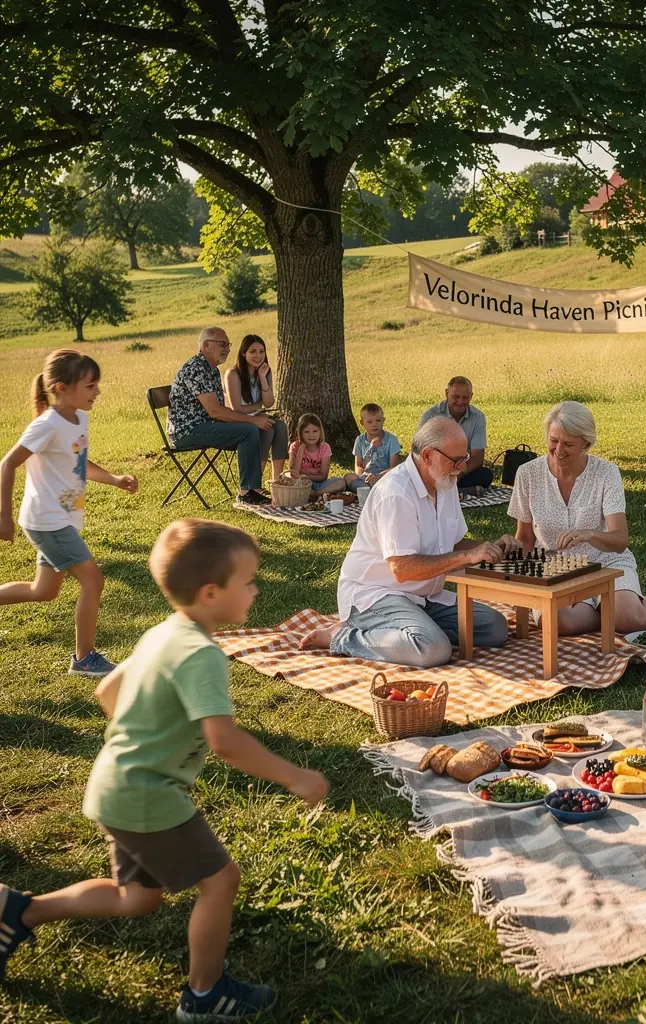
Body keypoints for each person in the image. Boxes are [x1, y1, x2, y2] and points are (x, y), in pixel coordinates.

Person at [0, 519, 329, 1017]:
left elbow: (106, 691)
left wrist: (143, 735)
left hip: (115, 782)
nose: (256, 590)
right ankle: (205, 995)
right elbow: (225, 742)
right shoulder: (202, 655)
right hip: (147, 794)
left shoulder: (164, 631)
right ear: (211, 592)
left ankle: (20, 912)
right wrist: (295, 776)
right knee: (221, 881)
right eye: (248, 582)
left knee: (136, 898)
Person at [508, 401, 646, 635]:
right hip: (554, 569)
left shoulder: (606, 473)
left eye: (568, 444)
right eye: (553, 440)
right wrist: (514, 568)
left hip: (605, 564)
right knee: (558, 623)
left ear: (586, 443)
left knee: (626, 619)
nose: (559, 450)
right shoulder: (528, 474)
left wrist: (590, 534)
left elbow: (620, 540)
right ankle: (638, 604)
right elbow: (525, 537)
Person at [299, 417, 512, 667]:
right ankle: (343, 636)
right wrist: (467, 557)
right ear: (429, 455)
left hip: (423, 595)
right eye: (456, 460)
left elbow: (451, 544)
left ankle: (409, 627)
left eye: (464, 458)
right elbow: (402, 569)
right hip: (376, 593)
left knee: (495, 628)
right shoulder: (396, 492)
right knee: (432, 649)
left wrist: (490, 547)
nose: (463, 467)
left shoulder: (445, 481)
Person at [0, 350, 138, 678]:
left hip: (60, 518)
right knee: (93, 580)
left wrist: (114, 479)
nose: (97, 391)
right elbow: (7, 464)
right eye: (90, 386)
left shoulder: (78, 419)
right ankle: (84, 658)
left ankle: (84, 657)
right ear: (62, 388)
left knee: (44, 591)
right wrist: (3, 516)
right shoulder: (46, 425)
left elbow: (78, 463)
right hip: (48, 520)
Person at [167, 327, 271, 506]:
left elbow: (219, 410)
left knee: (252, 430)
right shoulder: (196, 369)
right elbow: (215, 411)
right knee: (248, 430)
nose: (227, 349)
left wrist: (253, 418)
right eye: (222, 344)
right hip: (187, 431)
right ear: (206, 346)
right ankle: (247, 493)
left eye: (228, 345)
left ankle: (253, 489)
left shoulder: (212, 370)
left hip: (205, 425)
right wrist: (253, 419)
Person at [224, 333, 289, 483]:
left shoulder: (265, 371)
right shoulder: (232, 374)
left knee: (280, 426)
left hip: (257, 416)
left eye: (261, 351)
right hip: (237, 420)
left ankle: (277, 481)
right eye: (253, 351)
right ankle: (255, 482)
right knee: (267, 429)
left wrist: (262, 378)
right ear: (243, 353)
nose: (258, 356)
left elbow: (268, 403)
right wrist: (257, 408)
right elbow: (236, 409)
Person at [418, 376, 493, 491]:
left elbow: (477, 458)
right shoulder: (431, 415)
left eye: (465, 398)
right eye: (456, 397)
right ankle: (458, 489)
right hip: (437, 468)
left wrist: (457, 476)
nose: (460, 402)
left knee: (485, 474)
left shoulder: (478, 417)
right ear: (446, 393)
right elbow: (421, 453)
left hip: (461, 469)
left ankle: (449, 488)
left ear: (471, 396)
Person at [343, 403, 401, 490]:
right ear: (362, 423)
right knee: (349, 477)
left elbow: (394, 467)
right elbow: (358, 465)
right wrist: (363, 476)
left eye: (378, 420)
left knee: (393, 481)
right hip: (366, 478)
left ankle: (368, 491)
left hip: (384, 477)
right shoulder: (360, 440)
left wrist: (378, 476)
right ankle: (367, 490)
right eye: (369, 422)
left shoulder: (391, 440)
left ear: (383, 420)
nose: (374, 424)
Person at [288, 414, 348, 496]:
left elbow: (323, 476)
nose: (311, 435)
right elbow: (293, 473)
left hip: (318, 484)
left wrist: (305, 476)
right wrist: (301, 449)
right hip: (300, 483)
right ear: (300, 433)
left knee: (341, 482)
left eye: (315, 431)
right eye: (306, 432)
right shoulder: (295, 446)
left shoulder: (325, 447)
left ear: (320, 432)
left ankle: (316, 493)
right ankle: (312, 494)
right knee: (290, 484)